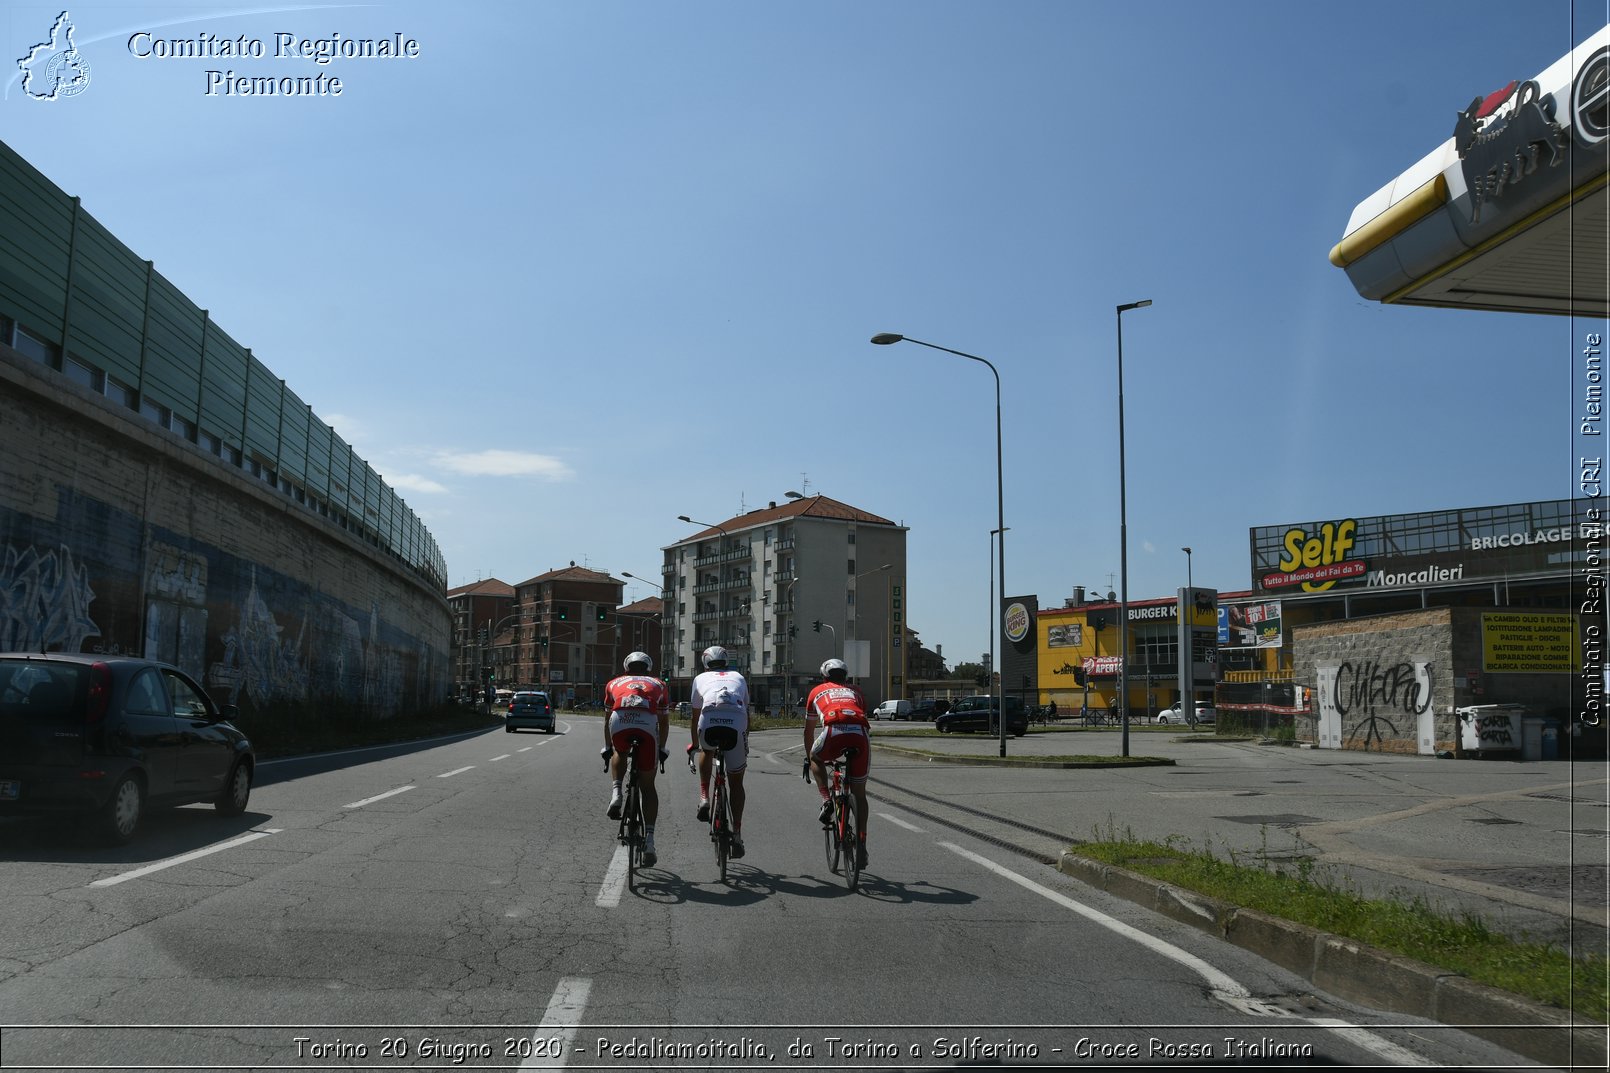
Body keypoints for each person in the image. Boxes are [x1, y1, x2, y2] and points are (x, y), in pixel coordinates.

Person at [602, 652, 670, 866]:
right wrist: (661, 749)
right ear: (648, 668)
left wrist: (607, 747)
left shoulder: (613, 682)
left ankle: (617, 792)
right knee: (648, 786)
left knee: (619, 752)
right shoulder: (658, 683)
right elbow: (664, 721)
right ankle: (649, 840)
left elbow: (607, 720)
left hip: (620, 720)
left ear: (626, 667)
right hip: (647, 725)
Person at [803, 658, 870, 868]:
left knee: (815, 756)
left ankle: (826, 800)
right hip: (860, 734)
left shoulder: (817, 691)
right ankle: (861, 843)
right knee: (859, 794)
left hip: (833, 730)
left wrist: (809, 757)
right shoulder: (857, 691)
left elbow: (809, 731)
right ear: (846, 676)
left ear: (824, 676)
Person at [687, 645, 751, 858]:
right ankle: (739, 834)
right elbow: (746, 712)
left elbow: (695, 716)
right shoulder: (739, 677)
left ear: (705, 663)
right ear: (726, 661)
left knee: (707, 750)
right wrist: (744, 741)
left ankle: (704, 796)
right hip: (736, 723)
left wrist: (695, 744)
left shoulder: (699, 679)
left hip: (709, 719)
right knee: (736, 781)